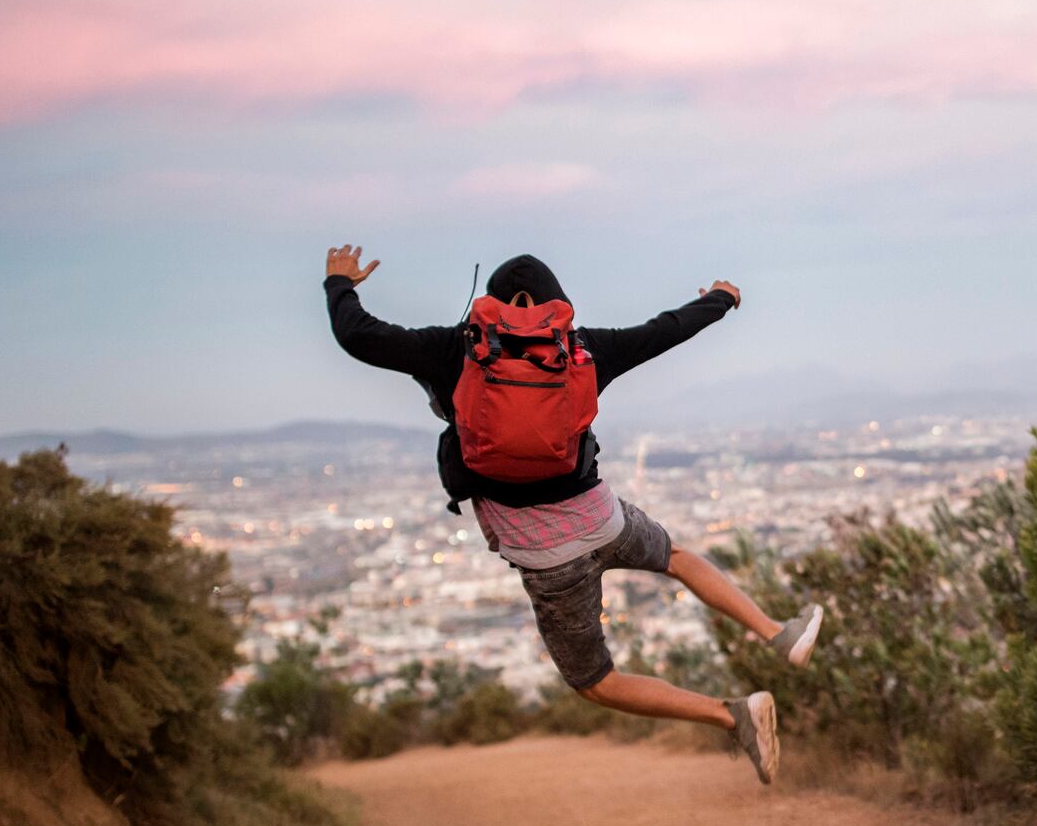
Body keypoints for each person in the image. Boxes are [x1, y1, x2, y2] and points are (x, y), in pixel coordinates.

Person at [321, 244, 819, 784]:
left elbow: (358, 335)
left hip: (545, 558)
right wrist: (721, 299)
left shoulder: (453, 350)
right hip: (605, 521)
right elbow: (665, 330)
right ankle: (778, 633)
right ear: (557, 301)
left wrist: (339, 284)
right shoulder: (581, 350)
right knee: (674, 557)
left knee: (596, 681)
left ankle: (733, 715)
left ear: (487, 304)